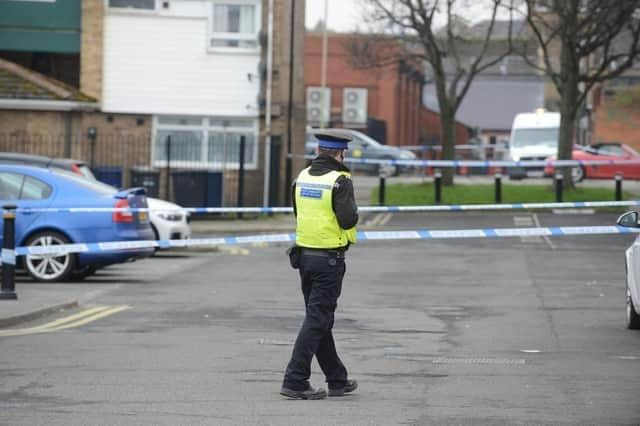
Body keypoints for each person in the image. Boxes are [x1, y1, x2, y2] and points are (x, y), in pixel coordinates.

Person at [280, 131, 359, 400]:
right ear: (341, 153)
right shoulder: (340, 180)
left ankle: (337, 379)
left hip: (304, 257)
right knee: (317, 320)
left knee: (320, 319)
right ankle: (295, 380)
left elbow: (298, 212)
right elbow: (348, 220)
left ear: (318, 149)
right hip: (329, 259)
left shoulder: (301, 177)